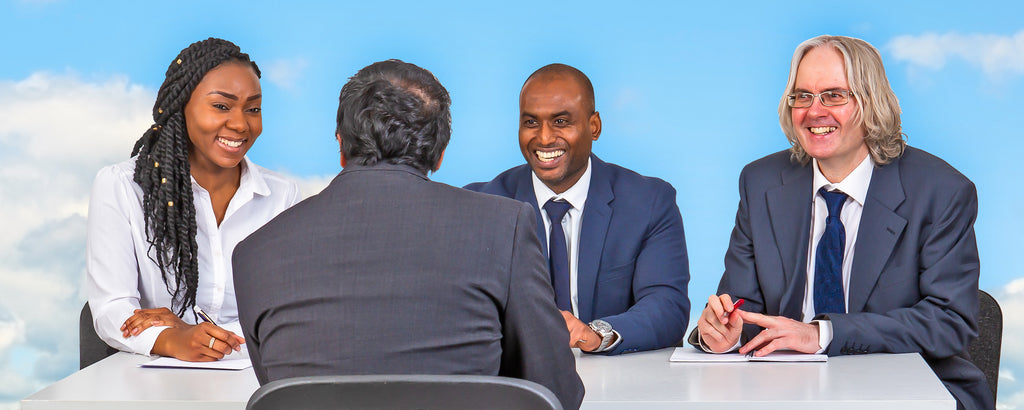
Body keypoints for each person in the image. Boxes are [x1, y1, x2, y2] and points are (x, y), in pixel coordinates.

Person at [232, 59, 585, 409]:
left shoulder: (253, 253)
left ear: (341, 146)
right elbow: (556, 392)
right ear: (440, 154)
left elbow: (284, 393)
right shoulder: (504, 226)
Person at [691, 35, 992, 409]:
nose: (814, 111)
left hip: (909, 387)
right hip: (783, 390)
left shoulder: (941, 190)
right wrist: (725, 332)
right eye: (802, 96)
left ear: (871, 102)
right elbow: (743, 304)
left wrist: (823, 334)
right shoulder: (761, 182)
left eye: (834, 95)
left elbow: (949, 322)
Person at [85, 38, 300, 362]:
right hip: (153, 383)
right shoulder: (122, 187)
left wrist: (193, 332)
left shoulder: (282, 197)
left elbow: (290, 316)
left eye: (253, 109)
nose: (241, 124)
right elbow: (112, 310)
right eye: (221, 106)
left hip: (254, 378)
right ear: (180, 106)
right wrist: (173, 338)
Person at [465, 64, 690, 355]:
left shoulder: (649, 201)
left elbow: (667, 308)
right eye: (531, 122)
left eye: (560, 121)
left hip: (616, 383)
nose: (544, 138)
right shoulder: (481, 205)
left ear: (594, 126)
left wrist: (596, 334)